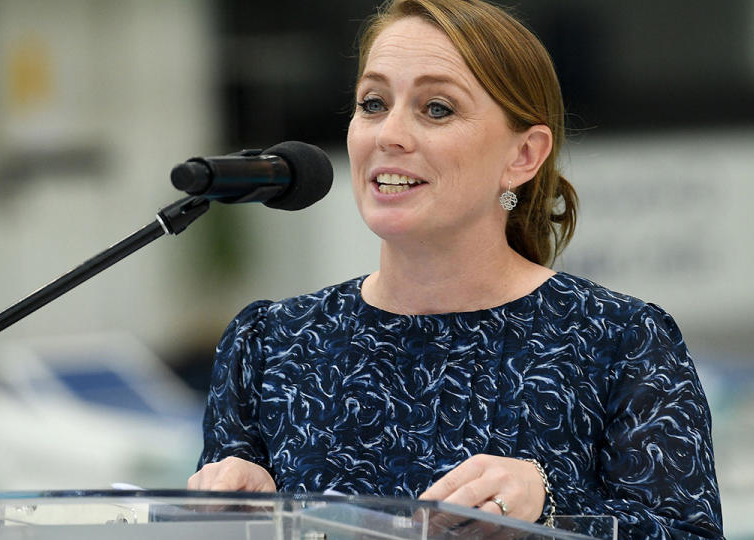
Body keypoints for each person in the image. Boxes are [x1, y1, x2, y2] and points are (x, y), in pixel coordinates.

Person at [189, 0, 724, 538]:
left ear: (523, 156)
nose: (388, 135)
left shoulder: (619, 342)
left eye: (437, 109)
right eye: (373, 103)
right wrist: (235, 512)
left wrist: (549, 505)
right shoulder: (270, 344)